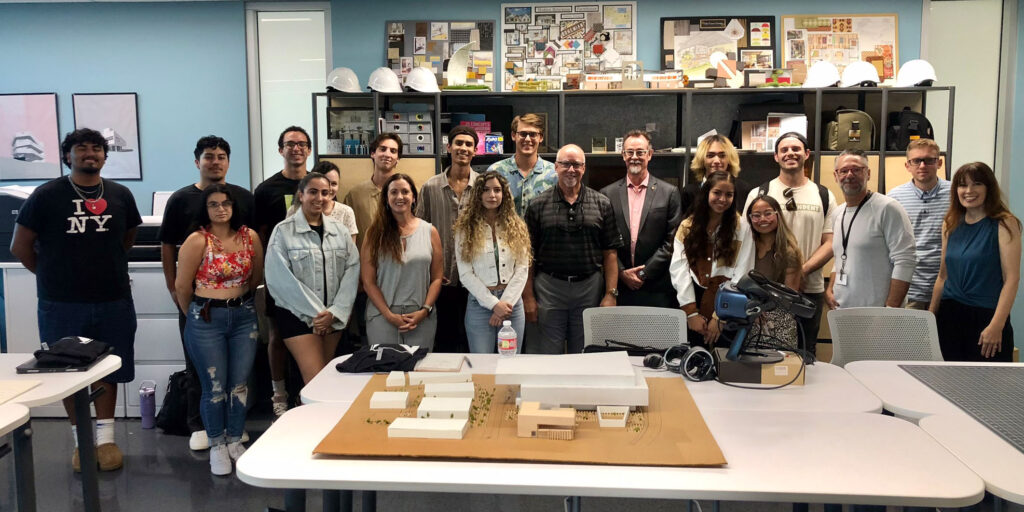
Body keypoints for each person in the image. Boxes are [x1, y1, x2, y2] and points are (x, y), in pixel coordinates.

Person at [10, 128, 142, 472]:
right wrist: (53, 276)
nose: (90, 153)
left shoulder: (121, 195)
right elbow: (20, 247)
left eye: (96, 148)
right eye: (81, 148)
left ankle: (106, 439)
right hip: (61, 304)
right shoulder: (46, 195)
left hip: (113, 299)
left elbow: (125, 240)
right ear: (67, 156)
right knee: (68, 371)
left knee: (108, 368)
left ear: (104, 156)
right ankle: (80, 442)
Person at [159, 135, 254, 451]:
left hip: (239, 308)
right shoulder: (181, 200)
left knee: (237, 376)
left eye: (221, 156)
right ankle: (200, 427)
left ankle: (233, 429)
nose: (215, 161)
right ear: (197, 161)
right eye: (209, 156)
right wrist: (176, 290)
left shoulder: (242, 197)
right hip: (199, 303)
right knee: (201, 370)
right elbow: (168, 245)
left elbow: (253, 260)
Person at [173, 184, 263, 476]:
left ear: (234, 207)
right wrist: (196, 317)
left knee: (238, 385)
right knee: (214, 388)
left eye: (226, 203)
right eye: (214, 204)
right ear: (206, 209)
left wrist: (238, 303)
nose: (221, 209)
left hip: (243, 317)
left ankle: (235, 439)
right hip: (205, 319)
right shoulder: (198, 240)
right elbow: (182, 287)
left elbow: (255, 279)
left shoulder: (250, 237)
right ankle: (216, 445)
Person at [743, 132, 837, 355]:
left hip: (808, 288)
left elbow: (831, 242)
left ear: (806, 154)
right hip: (765, 293)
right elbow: (746, 243)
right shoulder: (759, 193)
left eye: (796, 149)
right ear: (776, 156)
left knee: (805, 352)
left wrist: (800, 272)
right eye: (784, 150)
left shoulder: (823, 195)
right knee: (763, 352)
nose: (790, 153)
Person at [524, 144, 623, 354]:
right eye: (566, 164)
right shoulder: (537, 205)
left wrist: (611, 294)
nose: (571, 169)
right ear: (556, 167)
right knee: (548, 354)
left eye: (576, 164)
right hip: (549, 289)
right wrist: (528, 297)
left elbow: (610, 253)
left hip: (589, 288)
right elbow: (527, 256)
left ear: (584, 168)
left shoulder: (602, 203)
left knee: (586, 354)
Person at [266, 172, 360, 382]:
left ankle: (310, 411)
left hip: (333, 317)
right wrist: (318, 314)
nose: (320, 198)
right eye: (313, 192)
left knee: (324, 380)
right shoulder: (283, 231)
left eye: (325, 193)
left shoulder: (340, 231)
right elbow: (279, 280)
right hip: (298, 316)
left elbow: (352, 270)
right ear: (301, 195)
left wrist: (335, 312)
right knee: (315, 379)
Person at [930, 162, 1021, 361]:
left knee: (987, 388)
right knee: (946, 385)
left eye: (976, 184)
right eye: (962, 185)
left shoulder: (1005, 223)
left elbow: (1011, 280)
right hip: (949, 317)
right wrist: (930, 318)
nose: (969, 191)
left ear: (988, 188)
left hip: (986, 318)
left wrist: (997, 325)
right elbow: (942, 276)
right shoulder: (950, 223)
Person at [253, 125, 310, 417]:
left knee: (309, 338)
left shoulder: (318, 185)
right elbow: (259, 237)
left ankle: (307, 396)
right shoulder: (266, 190)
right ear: (281, 150)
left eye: (302, 144)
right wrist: (264, 277)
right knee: (277, 336)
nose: (296, 149)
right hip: (277, 276)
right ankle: (279, 396)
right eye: (290, 144)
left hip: (311, 278)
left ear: (309, 150)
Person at [670, 171, 754, 347]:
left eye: (728, 194)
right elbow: (679, 270)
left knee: (723, 363)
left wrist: (720, 316)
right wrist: (691, 313)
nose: (722, 199)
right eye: (717, 193)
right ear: (707, 193)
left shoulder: (743, 227)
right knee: (693, 360)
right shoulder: (687, 226)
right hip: (693, 298)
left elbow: (742, 272)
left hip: (729, 301)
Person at [599, 129, 682, 307]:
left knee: (654, 335)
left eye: (640, 152)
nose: (634, 157)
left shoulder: (669, 193)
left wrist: (644, 273)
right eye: (630, 152)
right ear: (623, 155)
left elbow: (671, 242)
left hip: (656, 287)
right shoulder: (607, 194)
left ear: (650, 154)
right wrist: (621, 272)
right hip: (619, 288)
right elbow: (603, 240)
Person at [825, 149, 916, 310]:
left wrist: (891, 308)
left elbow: (905, 260)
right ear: (836, 176)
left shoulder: (887, 208)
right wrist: (831, 288)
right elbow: (841, 257)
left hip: (878, 313)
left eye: (857, 169)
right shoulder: (838, 213)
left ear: (868, 173)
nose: (850, 175)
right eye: (844, 171)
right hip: (842, 310)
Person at [416, 126, 479, 353]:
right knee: (444, 340)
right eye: (458, 143)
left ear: (475, 151)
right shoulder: (431, 187)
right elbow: (418, 231)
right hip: (441, 279)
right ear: (448, 147)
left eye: (468, 144)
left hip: (476, 279)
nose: (463, 148)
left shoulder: (483, 188)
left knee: (473, 342)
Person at [361, 173, 443, 347]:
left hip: (421, 318)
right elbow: (368, 282)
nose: (400, 197)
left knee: (419, 371)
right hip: (383, 317)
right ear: (386, 198)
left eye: (405, 192)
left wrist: (425, 311)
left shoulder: (430, 231)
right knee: (384, 371)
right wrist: (389, 315)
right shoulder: (374, 233)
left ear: (413, 197)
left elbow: (436, 278)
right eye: (394, 192)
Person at [454, 171, 531, 353]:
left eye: (497, 190)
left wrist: (504, 304)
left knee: (510, 362)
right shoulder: (465, 229)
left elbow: (522, 268)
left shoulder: (517, 226)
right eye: (486, 190)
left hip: (512, 305)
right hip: (480, 305)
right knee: (483, 365)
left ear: (504, 194)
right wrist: (494, 305)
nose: (492, 195)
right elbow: (465, 274)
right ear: (478, 194)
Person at [342, 133, 402, 350]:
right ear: (372, 153)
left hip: (400, 277)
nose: (387, 154)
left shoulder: (406, 193)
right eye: (383, 149)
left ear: (398, 159)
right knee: (370, 342)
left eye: (393, 151)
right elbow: (348, 241)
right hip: (365, 280)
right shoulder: (355, 195)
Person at [887, 139, 951, 310]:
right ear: (907, 165)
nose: (922, 165)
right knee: (909, 337)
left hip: (947, 290)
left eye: (929, 160)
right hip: (909, 288)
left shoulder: (955, 195)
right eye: (916, 161)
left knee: (945, 337)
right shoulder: (895, 197)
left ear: (939, 163)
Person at [746, 194, 804, 349]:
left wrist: (760, 310)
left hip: (777, 323)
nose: (762, 219)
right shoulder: (747, 247)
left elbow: (789, 296)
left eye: (768, 213)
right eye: (756, 215)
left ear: (778, 215)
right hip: (747, 319)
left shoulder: (789, 252)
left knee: (778, 371)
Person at [486, 113, 557, 217]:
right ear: (513, 136)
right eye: (523, 134)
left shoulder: (554, 174)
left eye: (533, 134)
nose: (527, 139)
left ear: (541, 137)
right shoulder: (496, 171)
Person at [286, 160, 357, 245]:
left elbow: (351, 251)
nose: (329, 188)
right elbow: (287, 244)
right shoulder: (295, 211)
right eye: (325, 183)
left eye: (334, 184)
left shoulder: (346, 212)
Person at [682, 134, 751, 217]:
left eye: (722, 155)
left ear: (730, 159)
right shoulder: (689, 192)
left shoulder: (743, 189)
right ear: (702, 159)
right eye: (710, 155)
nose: (717, 161)